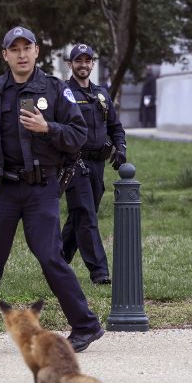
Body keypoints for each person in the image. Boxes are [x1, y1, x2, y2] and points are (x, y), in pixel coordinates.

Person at [0, 26, 105, 354]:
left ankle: (86, 325)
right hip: (2, 190)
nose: (22, 54)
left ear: (37, 52)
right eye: (15, 49)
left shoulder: (54, 90)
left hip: (41, 189)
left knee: (50, 256)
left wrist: (47, 127)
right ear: (5, 55)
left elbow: (78, 134)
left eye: (28, 48)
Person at [61, 43, 127, 285]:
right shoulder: (63, 94)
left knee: (80, 215)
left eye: (87, 61)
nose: (83, 65)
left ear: (92, 64)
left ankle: (57, 259)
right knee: (86, 215)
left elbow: (115, 127)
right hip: (74, 164)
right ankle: (99, 271)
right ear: (70, 64)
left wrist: (120, 147)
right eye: (78, 61)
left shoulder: (101, 94)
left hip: (97, 164)